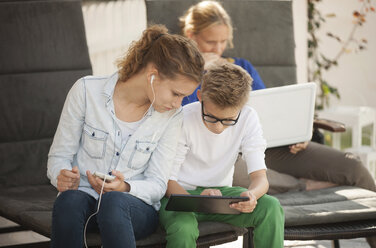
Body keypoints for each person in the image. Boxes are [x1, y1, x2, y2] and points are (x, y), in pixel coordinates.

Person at [179, 0, 376, 194]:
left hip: (272, 148)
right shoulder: (180, 75)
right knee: (229, 180)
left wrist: (296, 133)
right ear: (191, 36)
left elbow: (268, 108)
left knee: (353, 168)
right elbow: (182, 115)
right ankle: (303, 185)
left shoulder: (243, 67)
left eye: (223, 42)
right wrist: (198, 71)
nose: (218, 48)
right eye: (211, 42)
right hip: (222, 154)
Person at [47, 25, 205, 248]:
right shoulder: (85, 91)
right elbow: (58, 157)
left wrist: (125, 188)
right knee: (67, 202)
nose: (177, 104)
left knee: (113, 202)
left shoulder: (171, 116)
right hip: (84, 198)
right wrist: (60, 176)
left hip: (134, 209)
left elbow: (158, 184)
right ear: (152, 76)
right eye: (176, 94)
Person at [159, 63, 284, 248]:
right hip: (180, 196)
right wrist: (200, 199)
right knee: (183, 229)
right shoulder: (182, 118)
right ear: (200, 96)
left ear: (241, 107)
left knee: (271, 208)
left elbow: (260, 178)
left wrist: (252, 195)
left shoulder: (248, 118)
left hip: (222, 197)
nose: (218, 127)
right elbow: (168, 180)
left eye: (228, 120)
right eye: (210, 116)